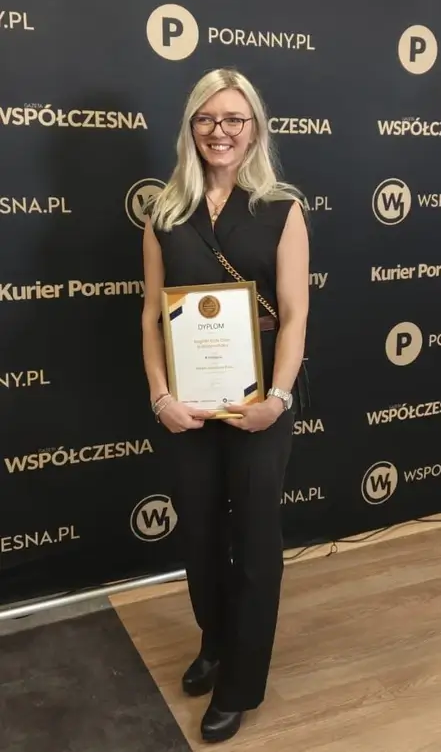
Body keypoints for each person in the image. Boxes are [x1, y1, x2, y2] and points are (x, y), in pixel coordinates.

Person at [141, 67, 310, 743]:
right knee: (201, 534)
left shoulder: (281, 208)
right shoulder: (164, 213)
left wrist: (279, 398)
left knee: (257, 542)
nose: (221, 130)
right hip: (186, 404)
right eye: (208, 118)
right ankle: (214, 642)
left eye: (234, 118)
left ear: (254, 129)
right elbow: (151, 316)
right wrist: (159, 395)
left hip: (261, 402)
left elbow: (294, 314)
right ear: (191, 126)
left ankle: (240, 682)